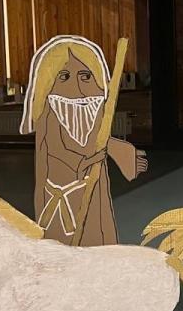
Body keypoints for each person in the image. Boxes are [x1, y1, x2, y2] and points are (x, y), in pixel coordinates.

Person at [18, 35, 146, 245]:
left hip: (91, 192)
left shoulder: (93, 111)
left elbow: (100, 140)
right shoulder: (51, 113)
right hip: (63, 196)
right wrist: (87, 161)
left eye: (85, 76)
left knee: (95, 233)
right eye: (64, 76)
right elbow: (56, 150)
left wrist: (123, 154)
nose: (76, 88)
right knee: (65, 244)